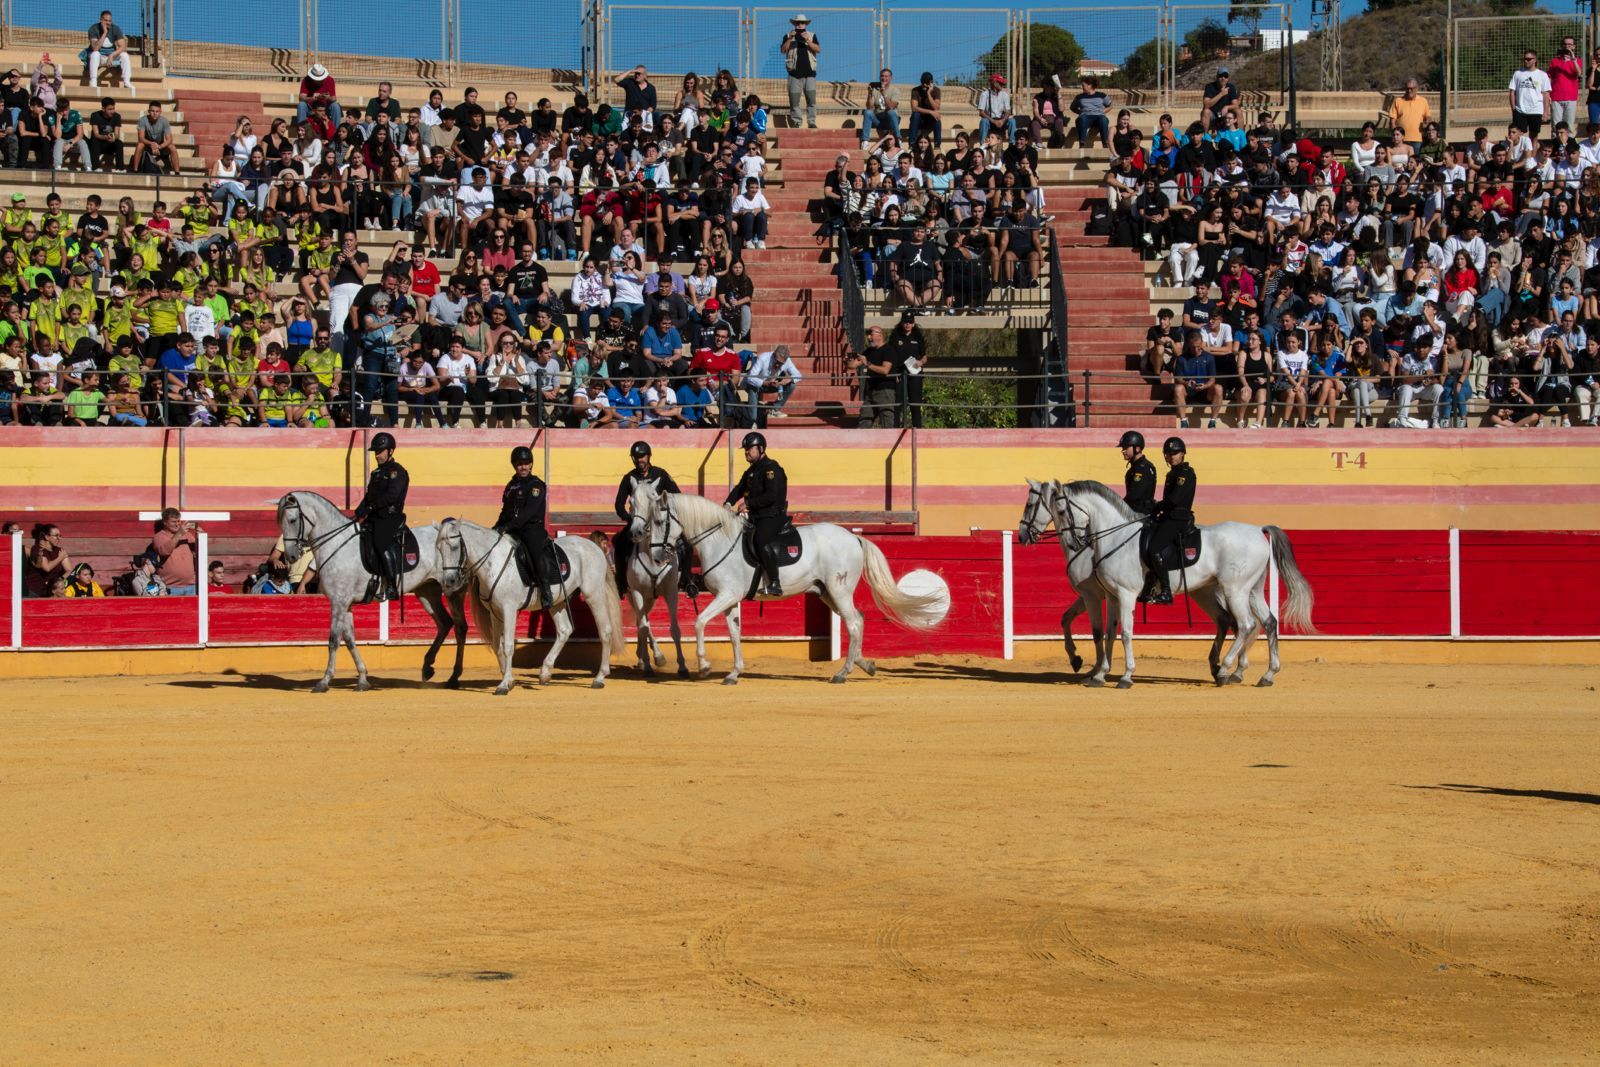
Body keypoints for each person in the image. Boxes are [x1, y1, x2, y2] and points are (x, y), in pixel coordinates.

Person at [612, 440, 692, 593]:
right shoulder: (628, 478)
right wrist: (630, 519)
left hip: (660, 524)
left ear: (649, 456)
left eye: (642, 456)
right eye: (635, 457)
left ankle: (687, 580)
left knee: (686, 544)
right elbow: (618, 504)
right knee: (619, 541)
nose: (639, 460)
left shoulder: (661, 474)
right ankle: (621, 582)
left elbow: (677, 496)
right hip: (638, 523)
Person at [725, 431, 788, 597]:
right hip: (757, 515)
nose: (746, 451)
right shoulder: (751, 471)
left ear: (761, 448)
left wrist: (749, 504)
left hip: (772, 516)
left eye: (749, 448)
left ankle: (775, 582)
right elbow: (739, 489)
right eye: (745, 449)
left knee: (760, 540)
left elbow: (771, 496)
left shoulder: (771, 469)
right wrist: (728, 503)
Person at [494, 445, 555, 611]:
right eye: (520, 463)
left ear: (531, 464)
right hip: (513, 529)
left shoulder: (536, 486)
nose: (523, 467)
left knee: (535, 550)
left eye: (527, 463)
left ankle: (546, 591)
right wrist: (496, 528)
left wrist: (508, 526)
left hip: (531, 529)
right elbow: (505, 511)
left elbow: (528, 513)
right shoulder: (511, 486)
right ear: (514, 465)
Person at [1139, 436, 1196, 606]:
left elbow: (1174, 499)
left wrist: (1157, 507)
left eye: (1175, 453)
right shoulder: (1173, 473)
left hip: (1178, 518)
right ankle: (1149, 585)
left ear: (1183, 454)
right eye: (1169, 454)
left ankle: (1166, 591)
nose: (1172, 457)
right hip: (1169, 516)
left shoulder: (1184, 474)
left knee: (1155, 547)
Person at [353, 431, 409, 601]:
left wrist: (372, 506)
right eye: (375, 452)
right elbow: (369, 497)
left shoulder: (397, 472)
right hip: (375, 516)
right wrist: (357, 514)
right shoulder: (376, 473)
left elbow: (392, 496)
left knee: (380, 541)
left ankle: (391, 585)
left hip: (390, 518)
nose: (377, 455)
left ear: (390, 451)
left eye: (380, 451)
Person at [781, 13, 820, 130]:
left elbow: (818, 49)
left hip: (810, 74)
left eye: (802, 23)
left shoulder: (812, 35)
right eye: (797, 23)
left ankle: (811, 121)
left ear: (805, 24)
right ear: (794, 24)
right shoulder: (788, 35)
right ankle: (797, 122)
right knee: (794, 101)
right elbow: (783, 50)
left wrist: (807, 40)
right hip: (794, 74)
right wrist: (790, 38)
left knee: (811, 100)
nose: (800, 25)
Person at [85, 10, 134, 92]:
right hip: (100, 59)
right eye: (105, 20)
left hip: (112, 59)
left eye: (110, 21)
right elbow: (95, 48)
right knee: (95, 54)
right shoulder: (93, 29)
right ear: (101, 20)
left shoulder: (115, 29)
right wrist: (104, 33)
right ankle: (93, 81)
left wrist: (112, 55)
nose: (108, 23)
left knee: (125, 55)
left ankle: (127, 82)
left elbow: (123, 47)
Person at [1510, 49, 1552, 140]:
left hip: (1536, 110)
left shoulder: (1542, 75)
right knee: (1517, 136)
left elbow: (1546, 94)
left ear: (1535, 60)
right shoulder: (1518, 74)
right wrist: (1513, 108)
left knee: (1534, 137)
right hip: (1520, 110)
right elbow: (1512, 92)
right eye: (1525, 59)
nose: (1526, 61)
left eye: (1529, 59)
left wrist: (1546, 112)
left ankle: (1532, 154)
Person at [24, 522, 69, 599]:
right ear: (47, 537)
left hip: (50, 592)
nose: (59, 538)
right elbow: (47, 568)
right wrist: (60, 558)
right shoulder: (37, 549)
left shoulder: (60, 551)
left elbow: (69, 569)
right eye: (56, 536)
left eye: (60, 536)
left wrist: (60, 580)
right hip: (35, 591)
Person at [1119, 431, 1157, 515]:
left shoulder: (1142, 468)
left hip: (1141, 514)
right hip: (1133, 513)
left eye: (1126, 448)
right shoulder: (1135, 467)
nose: (1123, 451)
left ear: (1137, 448)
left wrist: (1118, 505)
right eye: (1123, 448)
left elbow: (1134, 495)